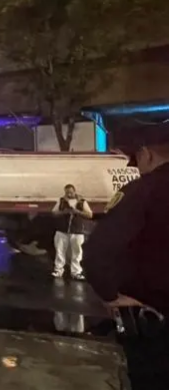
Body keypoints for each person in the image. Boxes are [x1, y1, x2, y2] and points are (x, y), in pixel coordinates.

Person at [82, 122, 169, 390]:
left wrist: (110, 295)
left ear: (146, 154)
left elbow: (98, 251)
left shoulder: (144, 191)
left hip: (157, 327)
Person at [50, 184, 92, 280]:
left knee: (77, 252)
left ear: (74, 191)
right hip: (62, 230)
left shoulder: (82, 202)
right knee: (60, 251)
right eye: (67, 192)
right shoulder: (61, 201)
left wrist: (78, 212)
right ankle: (58, 270)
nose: (69, 194)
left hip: (77, 231)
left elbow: (90, 214)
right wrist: (63, 212)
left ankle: (76, 272)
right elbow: (54, 213)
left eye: (71, 192)